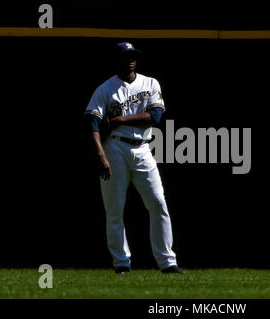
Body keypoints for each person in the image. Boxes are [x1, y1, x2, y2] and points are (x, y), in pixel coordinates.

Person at [84, 41, 184, 274]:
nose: (130, 59)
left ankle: (168, 262)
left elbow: (156, 116)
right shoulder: (105, 89)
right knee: (115, 209)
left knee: (158, 203)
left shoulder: (150, 83)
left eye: (133, 56)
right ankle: (121, 263)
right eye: (125, 56)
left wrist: (120, 120)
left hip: (143, 148)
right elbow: (92, 123)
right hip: (114, 148)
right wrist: (100, 155)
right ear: (116, 60)